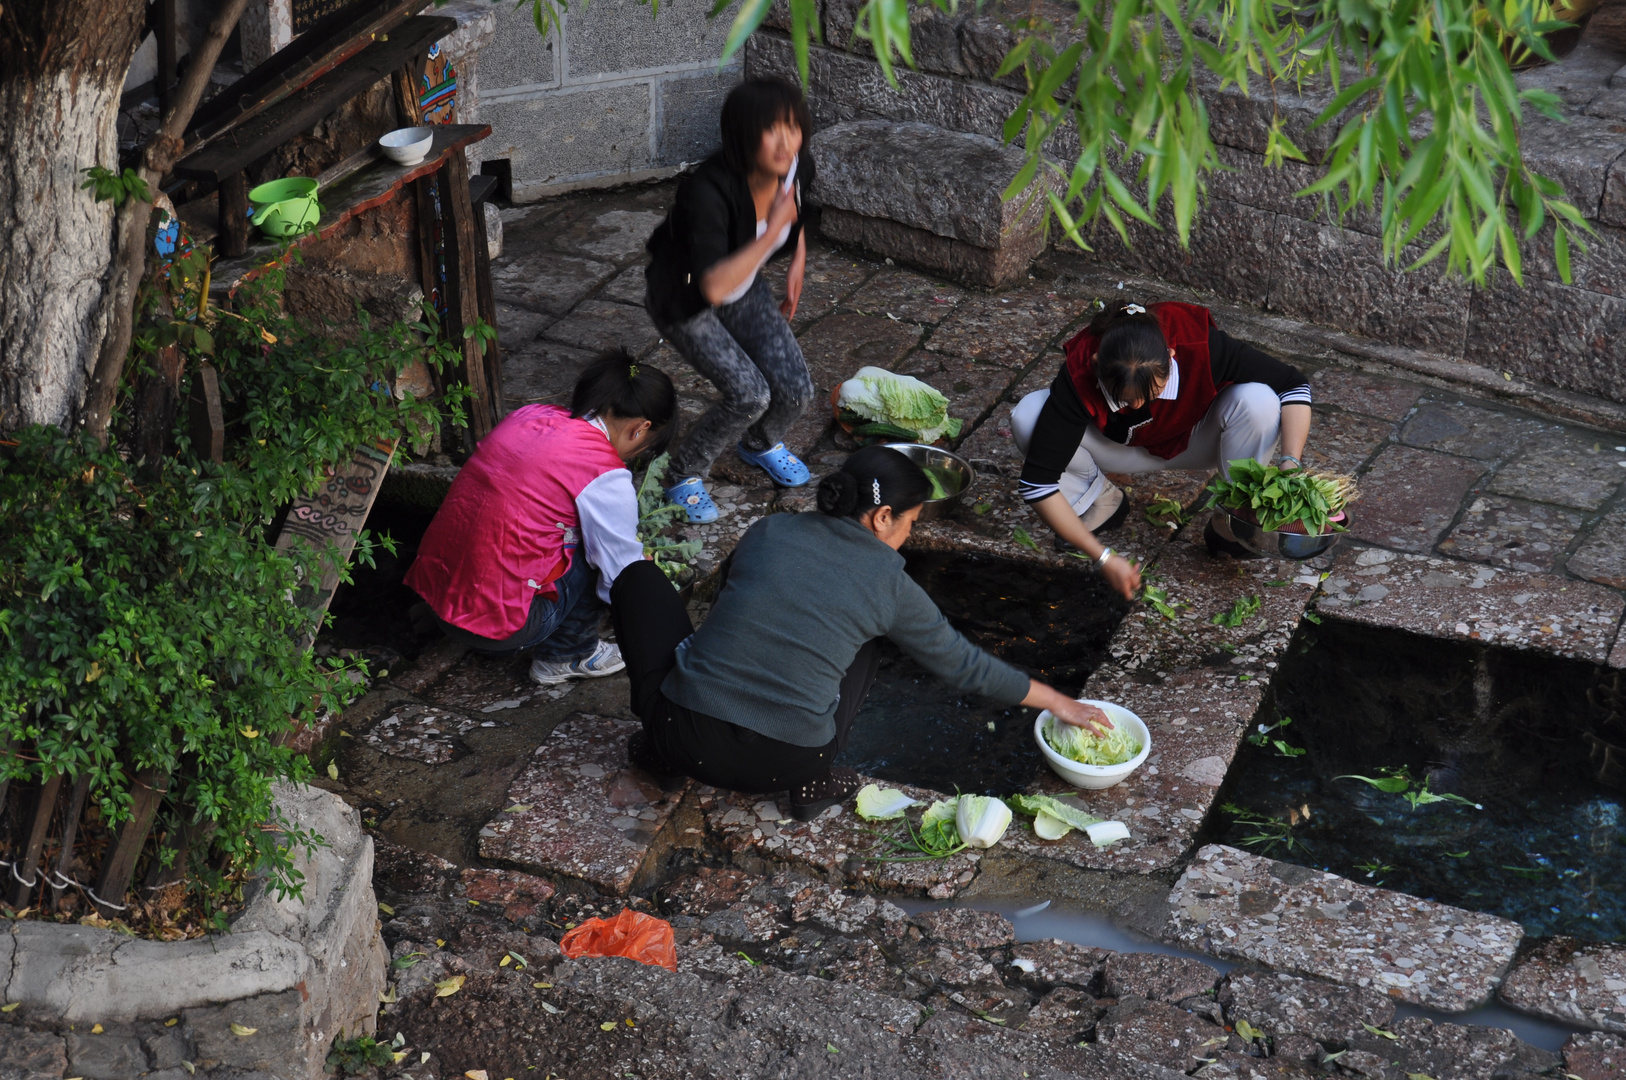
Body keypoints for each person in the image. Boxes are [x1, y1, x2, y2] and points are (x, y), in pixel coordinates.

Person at [608, 445, 1115, 820]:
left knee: (637, 579)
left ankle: (658, 759)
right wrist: (1055, 700)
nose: (910, 535)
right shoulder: (890, 586)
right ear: (882, 516)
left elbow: (730, 613)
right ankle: (814, 786)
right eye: (911, 523)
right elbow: (963, 664)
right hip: (788, 763)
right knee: (871, 638)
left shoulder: (770, 531)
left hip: (681, 737)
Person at [404, 352, 675, 686]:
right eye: (647, 446)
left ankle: (446, 617)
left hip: (436, 593)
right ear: (640, 429)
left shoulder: (528, 415)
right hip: (501, 629)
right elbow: (620, 578)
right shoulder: (604, 472)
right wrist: (640, 570)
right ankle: (567, 654)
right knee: (605, 554)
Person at [1012, 300, 1314, 597]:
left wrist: (1290, 462)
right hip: (1118, 449)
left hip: (1198, 439)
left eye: (1152, 393)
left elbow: (1294, 384)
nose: (1139, 406)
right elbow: (1038, 483)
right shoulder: (1081, 371)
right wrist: (1103, 557)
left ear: (1171, 357)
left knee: (1261, 401)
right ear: (1096, 366)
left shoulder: (1197, 343)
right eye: (1125, 399)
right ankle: (1099, 497)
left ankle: (1232, 517)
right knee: (1028, 417)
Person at [643, 76, 816, 524]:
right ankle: (683, 473)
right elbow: (714, 288)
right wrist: (775, 227)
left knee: (797, 389)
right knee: (749, 393)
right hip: (685, 297)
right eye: (772, 128)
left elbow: (799, 212)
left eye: (793, 126)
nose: (786, 141)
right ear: (742, 134)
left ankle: (758, 443)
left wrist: (796, 258)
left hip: (744, 281)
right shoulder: (707, 190)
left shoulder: (795, 166)